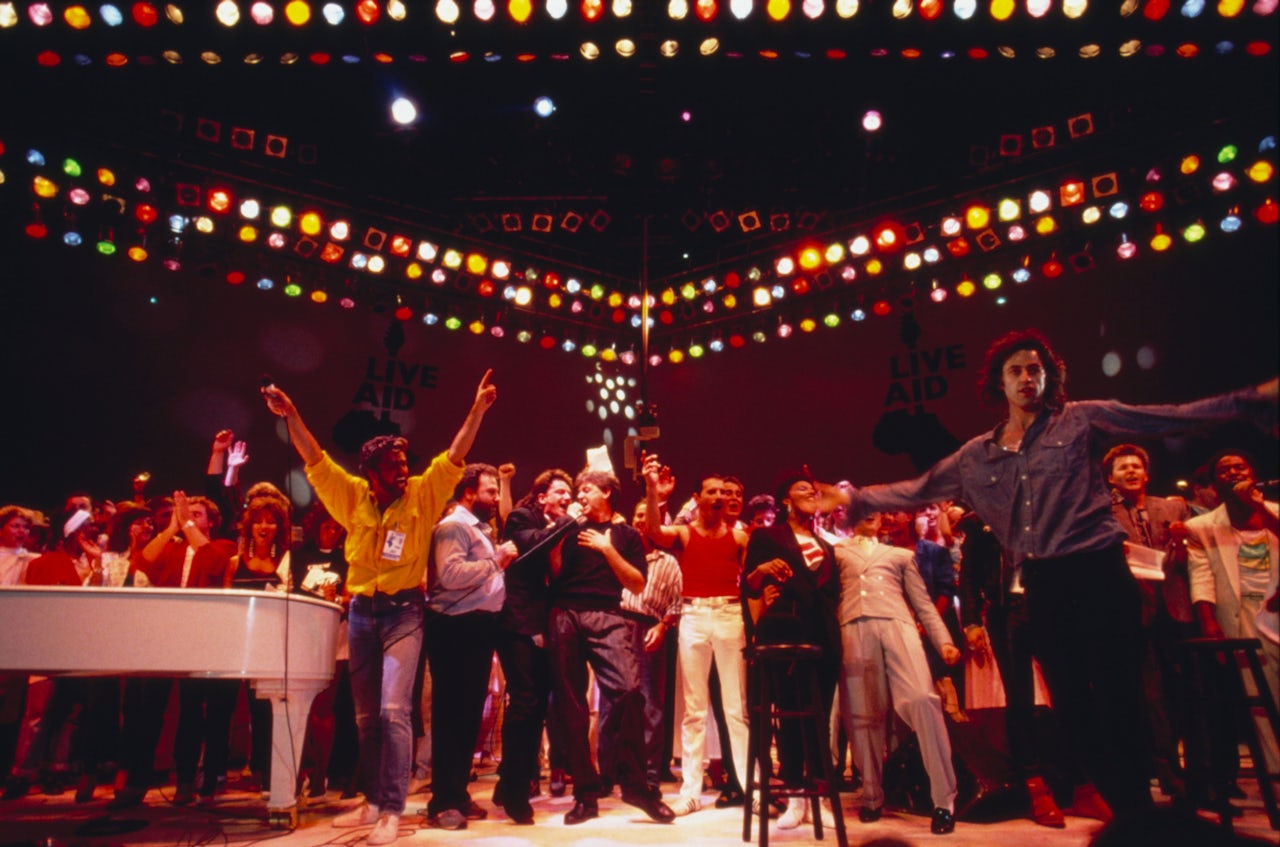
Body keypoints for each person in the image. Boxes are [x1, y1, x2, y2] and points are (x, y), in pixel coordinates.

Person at [840, 328, 1277, 821]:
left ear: (1049, 378)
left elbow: (1164, 418)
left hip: (1099, 573)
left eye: (1035, 369)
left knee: (1121, 698)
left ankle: (1136, 812)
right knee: (1070, 708)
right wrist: (859, 500)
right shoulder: (976, 455)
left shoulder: (1082, 420)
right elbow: (919, 487)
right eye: (1016, 371)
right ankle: (1119, 800)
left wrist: (1248, 403)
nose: (1027, 378)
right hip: (1044, 584)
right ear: (998, 384)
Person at [262, 369, 497, 847]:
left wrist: (477, 410)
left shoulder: (424, 495)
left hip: (405, 612)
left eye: (405, 460)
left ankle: (391, 808)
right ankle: (371, 800)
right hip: (363, 614)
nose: (403, 469)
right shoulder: (351, 496)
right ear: (372, 471)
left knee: (393, 710)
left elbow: (455, 456)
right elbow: (314, 459)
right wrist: (291, 414)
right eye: (393, 464)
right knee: (366, 717)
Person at [545, 468, 675, 826]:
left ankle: (634, 785)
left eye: (586, 490)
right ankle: (585, 795)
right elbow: (554, 573)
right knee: (571, 708)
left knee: (630, 691)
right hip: (565, 613)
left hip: (607, 615)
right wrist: (558, 536)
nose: (579, 496)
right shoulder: (568, 529)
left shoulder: (626, 535)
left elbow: (636, 583)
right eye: (577, 490)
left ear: (606, 492)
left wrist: (606, 550)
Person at [834, 512, 961, 834]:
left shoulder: (900, 555)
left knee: (922, 700)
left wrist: (943, 641)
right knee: (863, 716)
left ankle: (943, 800)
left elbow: (924, 604)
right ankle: (872, 795)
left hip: (897, 625)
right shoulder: (835, 552)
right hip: (852, 628)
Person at [641, 455, 751, 816]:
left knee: (736, 708)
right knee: (694, 709)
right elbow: (654, 533)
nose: (719, 497)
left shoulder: (739, 537)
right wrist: (653, 491)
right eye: (711, 492)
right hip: (693, 616)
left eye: (723, 491)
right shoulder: (685, 533)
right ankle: (691, 791)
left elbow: (750, 584)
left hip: (730, 614)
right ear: (698, 497)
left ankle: (752, 787)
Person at [741, 469, 843, 831]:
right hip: (785, 634)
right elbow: (748, 583)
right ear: (786, 500)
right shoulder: (768, 536)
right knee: (790, 717)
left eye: (815, 490)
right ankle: (797, 798)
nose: (812, 493)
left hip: (823, 641)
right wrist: (764, 570)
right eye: (803, 489)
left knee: (821, 718)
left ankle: (821, 796)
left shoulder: (828, 546)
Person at [423, 463, 517, 830]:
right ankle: (443, 800)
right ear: (468, 492)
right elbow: (449, 575)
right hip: (454, 627)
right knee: (450, 717)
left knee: (466, 718)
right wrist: (497, 559)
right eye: (490, 492)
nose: (495, 499)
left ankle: (457, 793)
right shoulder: (453, 527)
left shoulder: (478, 528)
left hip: (477, 628)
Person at [1185, 449, 1279, 805]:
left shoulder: (1275, 513)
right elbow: (1201, 575)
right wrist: (1208, 621)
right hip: (1244, 621)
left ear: (1253, 472)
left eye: (1239, 466)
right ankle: (1275, 785)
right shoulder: (1202, 527)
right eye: (1224, 469)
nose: (1233, 472)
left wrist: (1260, 507)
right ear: (1214, 482)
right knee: (1262, 708)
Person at [1104, 443, 1195, 799]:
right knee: (1151, 695)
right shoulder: (1103, 514)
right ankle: (1167, 770)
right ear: (1111, 478)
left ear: (1146, 473)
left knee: (1188, 692)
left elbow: (1194, 555)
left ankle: (1202, 774)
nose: (1130, 471)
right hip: (1133, 611)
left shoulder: (1173, 507)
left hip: (1176, 607)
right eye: (1122, 467)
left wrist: (1182, 542)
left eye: (1136, 466)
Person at [492, 468, 575, 822]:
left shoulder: (563, 527)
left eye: (569, 494)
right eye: (560, 493)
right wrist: (565, 525)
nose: (567, 499)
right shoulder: (521, 517)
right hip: (515, 618)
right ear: (542, 497)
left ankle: (512, 779)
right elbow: (530, 543)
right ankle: (514, 789)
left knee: (538, 704)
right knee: (524, 700)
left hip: (544, 621)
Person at [598, 500, 682, 795]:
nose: (641, 521)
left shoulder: (668, 561)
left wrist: (662, 627)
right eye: (637, 515)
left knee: (649, 704)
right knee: (611, 702)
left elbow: (676, 603)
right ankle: (606, 775)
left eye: (648, 517)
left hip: (650, 627)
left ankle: (648, 775)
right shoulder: (616, 555)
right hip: (616, 625)